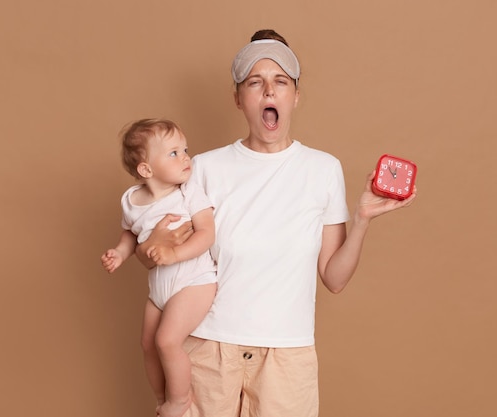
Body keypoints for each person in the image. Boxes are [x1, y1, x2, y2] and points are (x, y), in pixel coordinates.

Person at [136, 30, 417, 417]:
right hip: (208, 351)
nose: (269, 91)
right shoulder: (203, 168)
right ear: (238, 98)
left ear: (295, 96)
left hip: (287, 359)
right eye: (255, 82)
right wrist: (146, 245)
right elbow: (153, 252)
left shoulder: (322, 170)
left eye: (280, 81)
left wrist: (362, 218)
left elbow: (334, 279)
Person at [100, 118, 217, 417]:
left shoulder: (188, 192)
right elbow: (130, 232)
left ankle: (179, 401)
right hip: (159, 290)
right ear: (146, 170)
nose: (186, 157)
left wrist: (175, 254)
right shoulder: (131, 200)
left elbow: (206, 233)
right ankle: (162, 398)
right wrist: (119, 253)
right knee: (148, 343)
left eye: (185, 149)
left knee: (167, 341)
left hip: (194, 282)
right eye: (174, 153)